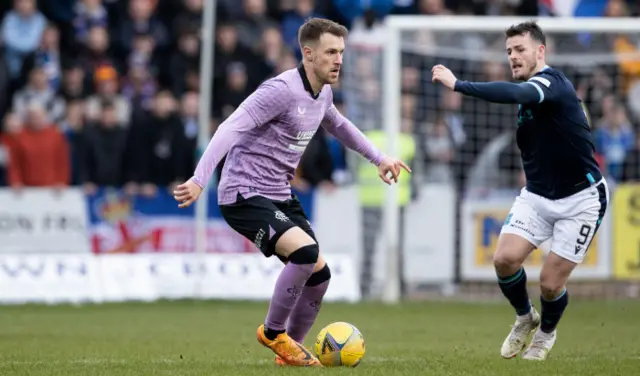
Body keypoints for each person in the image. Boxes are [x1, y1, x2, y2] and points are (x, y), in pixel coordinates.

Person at [172, 18, 410, 367]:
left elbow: (339, 125)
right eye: (331, 52)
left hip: (279, 194)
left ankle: (291, 350)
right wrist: (199, 178)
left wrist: (379, 157)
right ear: (308, 53)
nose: (338, 60)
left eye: (341, 52)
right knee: (305, 253)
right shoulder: (280, 90)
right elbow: (230, 126)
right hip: (243, 193)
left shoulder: (323, 93)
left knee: (320, 274)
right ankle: (272, 333)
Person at [432, 21, 609, 361]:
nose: (513, 56)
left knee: (550, 283)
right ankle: (525, 318)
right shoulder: (533, 90)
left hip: (582, 199)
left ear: (540, 52)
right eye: (509, 51)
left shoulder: (551, 83)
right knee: (504, 260)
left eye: (520, 50)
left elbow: (518, 93)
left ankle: (545, 334)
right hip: (539, 195)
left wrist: (459, 85)